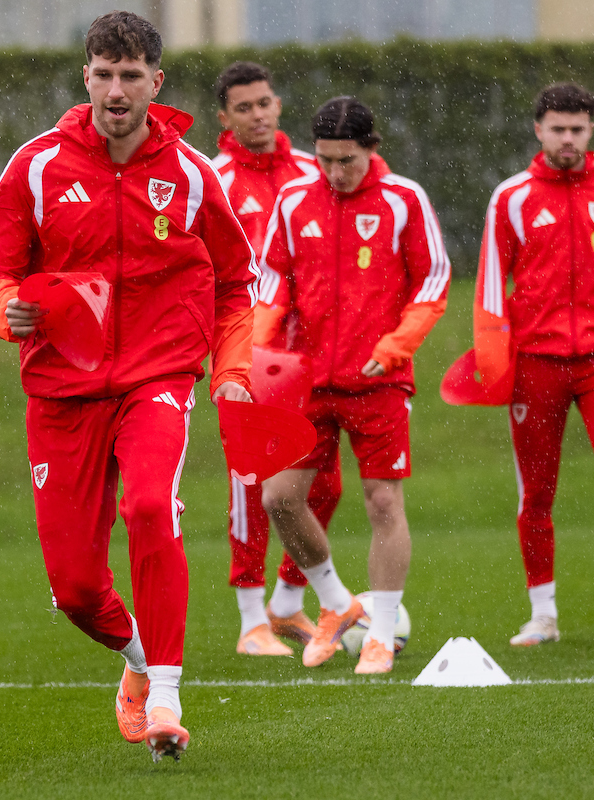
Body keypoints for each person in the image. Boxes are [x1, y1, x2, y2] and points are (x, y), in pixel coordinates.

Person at [0, 11, 258, 761]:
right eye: (104, 74)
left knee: (151, 505)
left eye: (131, 76)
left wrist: (230, 370)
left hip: (158, 376)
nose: (116, 89)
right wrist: (6, 309)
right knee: (74, 590)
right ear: (85, 77)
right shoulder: (37, 166)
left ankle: (166, 699)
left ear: (156, 82)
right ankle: (137, 661)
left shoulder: (191, 174)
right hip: (61, 392)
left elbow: (238, 282)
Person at [256, 96, 450, 674]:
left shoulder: (404, 200)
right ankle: (338, 603)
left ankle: (381, 636)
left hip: (379, 381)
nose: (335, 172)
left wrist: (395, 347)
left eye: (347, 160)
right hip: (305, 381)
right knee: (278, 498)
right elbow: (273, 283)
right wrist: (261, 354)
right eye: (325, 160)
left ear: (372, 149)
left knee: (382, 501)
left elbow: (433, 281)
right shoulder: (294, 201)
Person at [474, 82, 594, 647]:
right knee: (536, 494)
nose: (567, 139)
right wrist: (495, 373)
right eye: (557, 129)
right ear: (538, 130)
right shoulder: (511, 198)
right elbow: (490, 288)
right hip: (535, 365)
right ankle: (543, 616)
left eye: (577, 129)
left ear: (591, 130)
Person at [211, 62, 344, 657]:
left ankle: (288, 602)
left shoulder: (317, 172)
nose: (258, 115)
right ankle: (250, 622)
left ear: (279, 104)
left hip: (311, 356)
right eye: (244, 107)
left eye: (264, 103)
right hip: (244, 352)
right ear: (225, 117)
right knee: (250, 482)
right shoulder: (212, 180)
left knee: (325, 483)